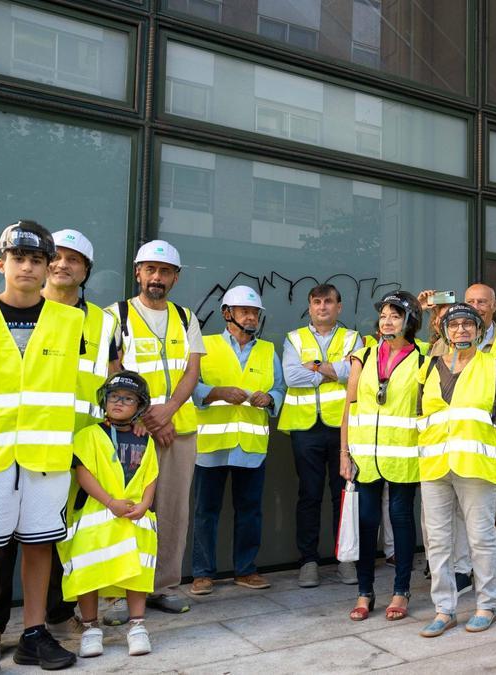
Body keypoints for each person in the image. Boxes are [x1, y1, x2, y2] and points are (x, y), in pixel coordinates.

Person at [0, 221, 81, 673]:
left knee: (39, 545)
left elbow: (79, 389)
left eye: (37, 260)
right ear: (1, 264)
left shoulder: (71, 321)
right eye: (18, 258)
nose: (27, 267)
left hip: (46, 456)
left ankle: (33, 635)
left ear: (49, 268)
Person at [0, 229, 118, 647]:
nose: (64, 264)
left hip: (77, 445)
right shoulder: (18, 311)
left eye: (75, 259)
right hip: (16, 440)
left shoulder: (103, 322)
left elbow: (113, 376)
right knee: (3, 537)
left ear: (86, 271)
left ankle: (54, 616)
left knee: (58, 533)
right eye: (57, 257)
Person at [106, 239, 203, 619]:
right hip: (134, 431)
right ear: (137, 273)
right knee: (131, 510)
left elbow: (192, 370)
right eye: (150, 270)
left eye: (164, 271)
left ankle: (164, 586)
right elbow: (113, 372)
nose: (156, 278)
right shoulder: (116, 316)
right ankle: (121, 593)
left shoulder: (185, 317)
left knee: (174, 511)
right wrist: (148, 416)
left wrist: (170, 411)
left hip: (179, 430)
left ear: (175, 278)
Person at [416, 303, 496, 637]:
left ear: (479, 330)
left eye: (468, 325)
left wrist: (479, 445)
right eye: (454, 325)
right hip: (434, 467)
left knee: (481, 539)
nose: (461, 330)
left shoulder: (494, 367)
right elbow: (423, 415)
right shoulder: (428, 369)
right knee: (439, 542)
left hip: (475, 467)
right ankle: (445, 610)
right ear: (444, 331)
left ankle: (486, 605)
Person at [427, 284, 496, 600]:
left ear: (493, 306)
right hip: (452, 445)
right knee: (457, 511)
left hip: (494, 440)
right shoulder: (443, 343)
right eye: (470, 301)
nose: (476, 306)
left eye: (482, 301)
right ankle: (461, 570)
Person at [187, 286, 284, 595]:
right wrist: (217, 393)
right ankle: (202, 574)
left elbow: (280, 389)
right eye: (245, 311)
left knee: (250, 511)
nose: (252, 317)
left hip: (251, 447)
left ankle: (246, 570)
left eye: (255, 312)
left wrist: (270, 398)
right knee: (206, 512)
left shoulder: (268, 350)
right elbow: (191, 386)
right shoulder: (206, 346)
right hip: (212, 447)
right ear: (227, 314)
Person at [61, 371, 159, 659]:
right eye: (114, 397)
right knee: (89, 572)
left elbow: (151, 473)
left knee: (136, 572)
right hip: (97, 521)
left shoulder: (146, 438)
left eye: (128, 399)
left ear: (139, 407)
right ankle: (91, 629)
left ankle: (137, 626)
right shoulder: (88, 434)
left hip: (135, 520)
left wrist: (146, 504)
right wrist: (109, 502)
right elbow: (83, 472)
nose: (119, 402)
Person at [340, 291, 423, 622]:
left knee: (401, 519)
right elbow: (349, 406)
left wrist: (436, 308)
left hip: (403, 454)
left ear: (410, 322)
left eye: (396, 315)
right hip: (364, 456)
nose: (388, 321)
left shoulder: (424, 356)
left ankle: (401, 590)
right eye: (384, 315)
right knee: (367, 522)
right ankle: (364, 591)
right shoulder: (363, 354)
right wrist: (343, 452)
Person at [279, 283, 364, 588]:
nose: (323, 307)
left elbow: (354, 374)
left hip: (343, 428)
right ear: (310, 307)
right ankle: (309, 561)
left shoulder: (353, 337)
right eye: (317, 302)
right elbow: (291, 376)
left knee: (344, 495)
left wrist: (313, 367)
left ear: (339, 307)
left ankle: (346, 559)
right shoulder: (294, 338)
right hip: (305, 428)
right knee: (309, 495)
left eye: (329, 302)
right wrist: (332, 370)